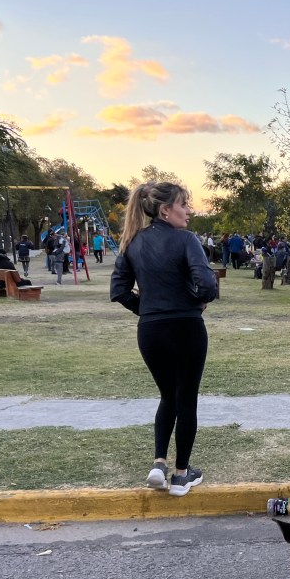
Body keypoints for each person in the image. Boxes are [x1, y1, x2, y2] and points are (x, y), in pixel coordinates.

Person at [110, 182, 217, 497]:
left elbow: (119, 291)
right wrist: (197, 301)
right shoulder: (186, 239)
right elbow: (207, 284)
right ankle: (181, 475)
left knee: (168, 396)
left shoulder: (132, 242)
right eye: (184, 204)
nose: (189, 211)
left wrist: (147, 308)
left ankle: (159, 464)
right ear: (166, 210)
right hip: (186, 326)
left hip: (151, 330)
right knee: (187, 399)